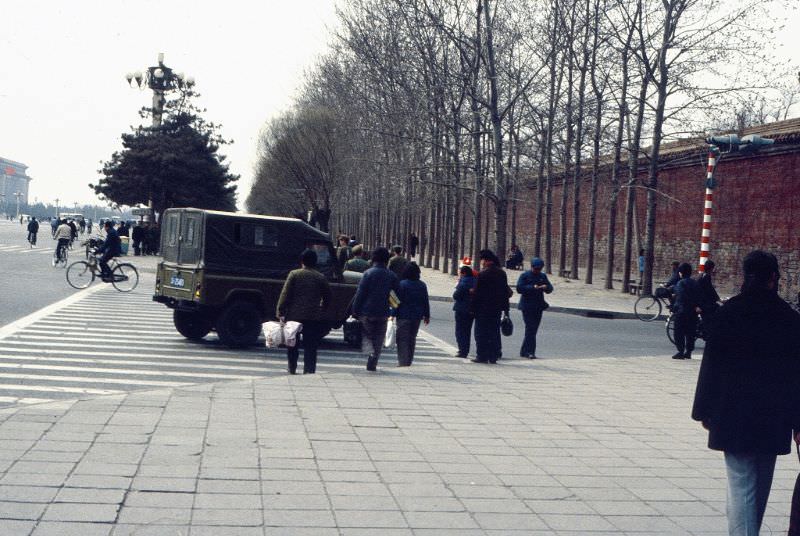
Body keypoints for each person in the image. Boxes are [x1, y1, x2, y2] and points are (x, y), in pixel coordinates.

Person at [692, 250, 800, 535]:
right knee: (759, 486)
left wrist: (703, 410)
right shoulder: (789, 319)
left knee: (741, 486)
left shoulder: (730, 313)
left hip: (733, 414)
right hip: (773, 417)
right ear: (773, 278)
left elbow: (711, 365)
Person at [276, 249, 332, 375]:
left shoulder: (294, 274)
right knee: (311, 346)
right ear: (315, 262)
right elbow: (328, 296)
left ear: (302, 261)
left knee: (292, 344)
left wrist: (281, 311)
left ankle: (292, 368)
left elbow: (285, 294)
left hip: (294, 315)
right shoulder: (320, 277)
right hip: (312, 316)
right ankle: (309, 370)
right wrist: (322, 309)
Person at [352, 247, 399, 371]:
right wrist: (393, 309)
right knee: (379, 338)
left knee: (367, 335)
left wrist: (355, 310)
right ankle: (373, 362)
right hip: (383, 312)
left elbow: (360, 294)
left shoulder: (368, 273)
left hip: (366, 311)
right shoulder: (392, 275)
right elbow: (396, 295)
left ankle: (370, 352)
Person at [470, 249, 510, 364]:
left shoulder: (483, 274)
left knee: (481, 333)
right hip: (496, 308)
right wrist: (506, 309)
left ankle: (481, 355)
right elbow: (504, 293)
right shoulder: (502, 273)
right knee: (493, 332)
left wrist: (472, 308)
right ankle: (493, 356)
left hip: (483, 309)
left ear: (486, 261)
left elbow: (477, 293)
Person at [392, 263, 430, 367]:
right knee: (412, 339)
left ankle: (403, 362)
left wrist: (392, 314)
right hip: (417, 316)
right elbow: (425, 301)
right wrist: (427, 315)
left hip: (403, 315)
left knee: (402, 339)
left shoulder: (402, 284)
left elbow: (397, 301)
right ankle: (409, 361)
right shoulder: (422, 285)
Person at [516, 257, 553, 359]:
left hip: (538, 306)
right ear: (532, 267)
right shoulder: (525, 276)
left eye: (539, 269)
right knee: (530, 328)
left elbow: (550, 288)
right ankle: (530, 351)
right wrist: (533, 287)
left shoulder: (542, 276)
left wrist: (546, 287)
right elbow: (519, 288)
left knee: (533, 330)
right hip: (527, 306)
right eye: (536, 269)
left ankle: (524, 350)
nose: (537, 271)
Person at [671, 262, 700, 359]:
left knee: (679, 332)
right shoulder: (695, 283)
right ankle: (689, 351)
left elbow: (680, 298)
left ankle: (680, 350)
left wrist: (674, 308)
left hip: (682, 311)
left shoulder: (681, 283)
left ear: (681, 273)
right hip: (693, 312)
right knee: (690, 332)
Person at [453, 265, 476, 358]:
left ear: (463, 273)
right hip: (472, 308)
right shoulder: (475, 280)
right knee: (467, 330)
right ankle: (465, 349)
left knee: (460, 330)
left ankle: (462, 350)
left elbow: (456, 295)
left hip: (461, 308)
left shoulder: (463, 282)